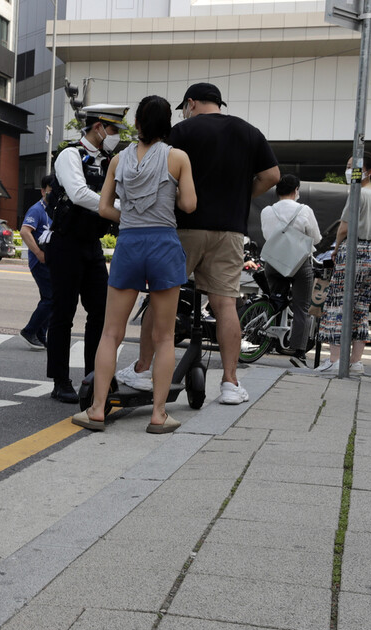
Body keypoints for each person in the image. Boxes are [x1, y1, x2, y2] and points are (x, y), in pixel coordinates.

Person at [116, 83, 279, 405]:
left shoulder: (182, 131)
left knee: (163, 299)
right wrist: (240, 197)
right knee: (225, 304)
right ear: (219, 103)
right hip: (229, 232)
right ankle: (231, 384)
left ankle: (142, 369)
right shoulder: (249, 132)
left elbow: (155, 166)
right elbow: (272, 175)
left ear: (191, 103)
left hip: (183, 228)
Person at [72, 95, 196, 434]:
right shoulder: (178, 158)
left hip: (129, 243)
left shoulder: (118, 160)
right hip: (163, 245)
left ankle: (97, 409)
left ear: (138, 124)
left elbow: (103, 208)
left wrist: (131, 217)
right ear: (167, 125)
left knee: (111, 333)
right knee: (164, 336)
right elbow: (188, 204)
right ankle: (158, 414)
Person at [45, 104, 129, 403]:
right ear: (99, 128)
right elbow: (79, 194)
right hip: (65, 244)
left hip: (91, 246)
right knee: (63, 315)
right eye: (114, 130)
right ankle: (60, 380)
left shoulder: (108, 161)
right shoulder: (70, 155)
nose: (116, 136)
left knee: (101, 313)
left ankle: (96, 376)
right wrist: (119, 210)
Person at [315, 152, 371, 375]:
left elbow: (344, 227)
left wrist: (337, 247)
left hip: (353, 250)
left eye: (355, 166)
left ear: (369, 171)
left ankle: (334, 360)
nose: (350, 170)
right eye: (349, 165)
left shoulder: (356, 193)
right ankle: (356, 362)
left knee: (337, 305)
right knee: (361, 308)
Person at [258, 174, 321, 367]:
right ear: (296, 190)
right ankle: (299, 353)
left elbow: (267, 235)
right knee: (301, 308)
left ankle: (264, 335)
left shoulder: (266, 211)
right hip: (299, 263)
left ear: (277, 191)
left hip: (273, 263)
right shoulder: (304, 210)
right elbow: (316, 238)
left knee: (275, 300)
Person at [18, 174, 55, 350]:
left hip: (51, 262)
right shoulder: (37, 210)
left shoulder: (54, 208)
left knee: (49, 299)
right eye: (50, 191)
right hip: (40, 262)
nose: (52, 194)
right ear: (42, 191)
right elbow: (25, 231)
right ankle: (29, 330)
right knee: (51, 298)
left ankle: (40, 335)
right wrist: (39, 253)